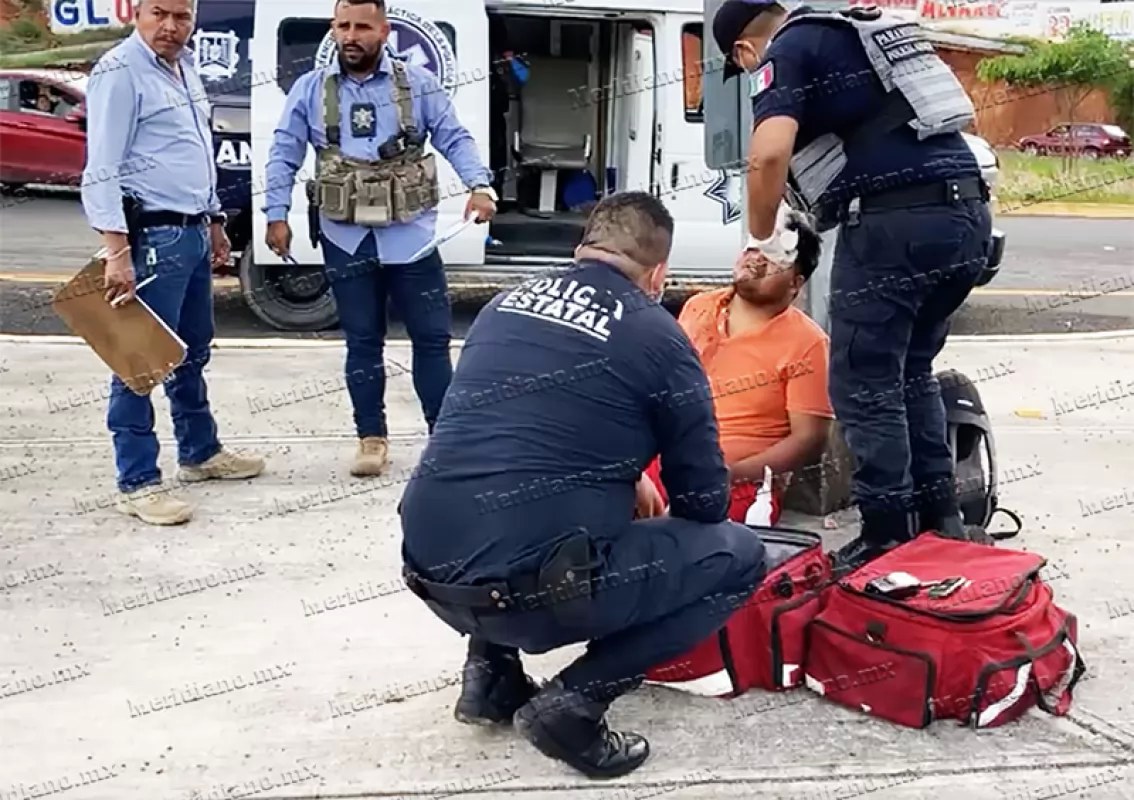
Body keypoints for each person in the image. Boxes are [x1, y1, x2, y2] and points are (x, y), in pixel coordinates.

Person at [398, 192, 768, 779]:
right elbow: (703, 503)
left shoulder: (503, 305)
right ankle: (574, 705)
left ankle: (489, 677)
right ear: (658, 274)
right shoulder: (659, 335)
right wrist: (631, 481)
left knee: (511, 507)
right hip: (534, 596)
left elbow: (513, 438)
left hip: (427, 569)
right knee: (740, 556)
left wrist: (619, 475)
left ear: (582, 248)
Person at [711, 0, 995, 569]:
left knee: (863, 383)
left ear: (744, 50)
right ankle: (941, 523)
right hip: (967, 216)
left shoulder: (786, 49)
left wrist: (764, 236)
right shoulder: (851, 37)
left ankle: (886, 534)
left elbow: (768, 156)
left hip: (894, 225)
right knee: (910, 372)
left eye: (740, 67)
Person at [263, 0, 498, 477]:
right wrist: (276, 214)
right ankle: (371, 438)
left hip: (412, 239)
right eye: (343, 26)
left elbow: (454, 137)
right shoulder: (311, 89)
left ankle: (443, 440)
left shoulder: (419, 85)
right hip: (345, 237)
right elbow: (284, 153)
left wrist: (480, 184)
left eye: (362, 27)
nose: (351, 36)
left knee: (431, 340)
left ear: (384, 31)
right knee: (362, 341)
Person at [81, 0, 265, 526]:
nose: (170, 26)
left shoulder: (184, 68)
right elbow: (102, 168)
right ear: (136, 13)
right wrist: (117, 252)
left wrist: (214, 220)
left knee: (191, 351)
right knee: (139, 363)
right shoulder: (120, 72)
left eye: (182, 16)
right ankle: (137, 482)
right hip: (151, 237)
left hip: (191, 231)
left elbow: (196, 150)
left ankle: (199, 452)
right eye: (159, 12)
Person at [643, 208, 833, 521]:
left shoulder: (808, 342)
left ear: (795, 283)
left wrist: (731, 473)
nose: (756, 258)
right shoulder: (698, 306)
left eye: (774, 257)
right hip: (663, 459)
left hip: (742, 484)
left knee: (692, 536)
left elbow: (809, 440)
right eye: (753, 248)